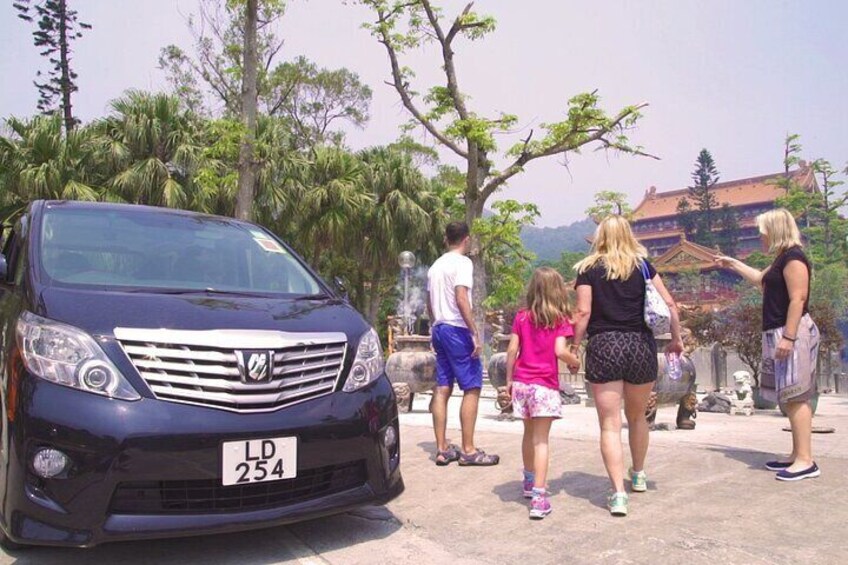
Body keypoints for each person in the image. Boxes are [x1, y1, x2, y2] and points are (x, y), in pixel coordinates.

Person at [571, 215, 682, 517]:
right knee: (637, 418)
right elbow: (670, 304)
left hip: (605, 345)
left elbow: (582, 312)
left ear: (600, 236)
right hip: (640, 346)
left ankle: (618, 494)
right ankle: (640, 474)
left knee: (609, 424)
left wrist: (573, 346)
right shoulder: (644, 266)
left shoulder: (588, 269)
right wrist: (676, 339)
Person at [716, 208, 821, 481]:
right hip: (778, 331)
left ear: (774, 230)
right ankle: (797, 454)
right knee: (788, 395)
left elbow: (798, 299)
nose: (759, 236)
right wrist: (733, 263)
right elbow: (759, 280)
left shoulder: (794, 257)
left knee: (797, 396)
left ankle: (806, 460)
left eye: (762, 231)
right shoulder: (781, 258)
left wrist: (788, 336)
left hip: (791, 332)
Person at [505, 268, 581, 520]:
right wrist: (575, 361)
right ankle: (539, 496)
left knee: (528, 435)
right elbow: (560, 351)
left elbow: (512, 349)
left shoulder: (522, 317)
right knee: (541, 441)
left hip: (522, 384)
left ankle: (528, 481)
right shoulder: (560, 320)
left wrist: (509, 380)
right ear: (558, 290)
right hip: (543, 386)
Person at [427, 222, 499, 466]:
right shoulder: (463, 263)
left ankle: (442, 448)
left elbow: (429, 302)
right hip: (457, 329)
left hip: (438, 327)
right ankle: (468, 449)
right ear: (466, 240)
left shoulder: (435, 266)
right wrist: (474, 332)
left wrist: (434, 325)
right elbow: (461, 298)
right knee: (472, 387)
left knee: (442, 386)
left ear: (446, 239)